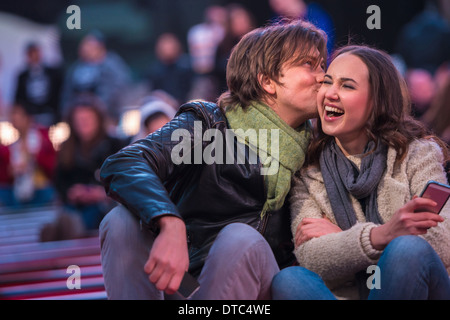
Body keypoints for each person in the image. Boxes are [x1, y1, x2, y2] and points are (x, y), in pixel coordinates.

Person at [99, 19, 327, 300]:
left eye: (322, 66)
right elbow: (124, 163)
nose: (323, 77)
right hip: (185, 284)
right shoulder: (209, 124)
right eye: (309, 64)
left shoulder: (321, 146)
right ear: (268, 81)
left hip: (260, 290)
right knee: (122, 221)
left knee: (240, 239)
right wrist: (169, 221)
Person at [271, 45, 450, 300]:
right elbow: (311, 256)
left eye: (347, 86)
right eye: (328, 82)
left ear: (377, 102)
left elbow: (441, 241)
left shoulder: (419, 153)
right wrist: (383, 234)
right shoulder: (309, 168)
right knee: (289, 279)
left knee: (407, 249)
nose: (330, 93)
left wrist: (346, 238)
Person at [54, 95, 126, 230]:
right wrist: (73, 193)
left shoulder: (114, 145)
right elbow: (60, 183)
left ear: (98, 120)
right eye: (79, 120)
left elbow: (125, 181)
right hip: (74, 206)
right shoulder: (66, 148)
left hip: (107, 208)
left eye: (87, 120)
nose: (83, 124)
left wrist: (100, 193)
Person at [0, 104, 56, 207]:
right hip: (17, 193)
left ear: (28, 118)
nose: (14, 119)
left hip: (41, 191)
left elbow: (53, 167)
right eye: (12, 114)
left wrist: (33, 156)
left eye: (17, 114)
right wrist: (11, 171)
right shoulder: (11, 145)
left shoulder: (43, 139)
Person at [14, 42, 62, 127]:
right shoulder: (22, 76)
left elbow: (59, 93)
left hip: (50, 114)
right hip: (29, 116)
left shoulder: (53, 73)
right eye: (31, 54)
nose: (34, 56)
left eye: (36, 53)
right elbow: (18, 98)